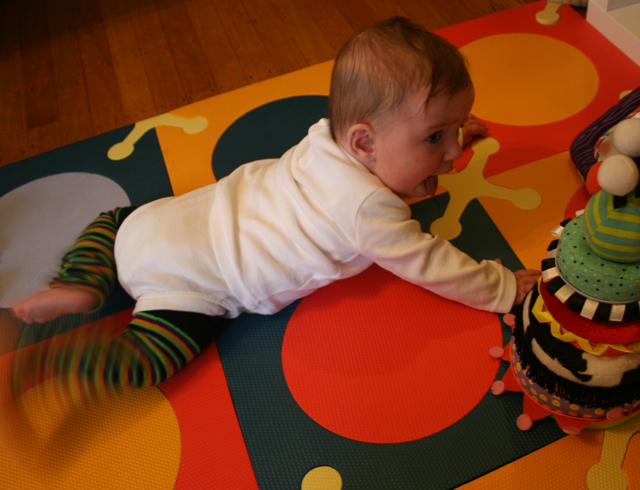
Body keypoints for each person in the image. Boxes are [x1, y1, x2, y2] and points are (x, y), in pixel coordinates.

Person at [11, 17, 540, 397]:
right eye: (435, 137)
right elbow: (430, 263)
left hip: (155, 225)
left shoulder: (324, 140)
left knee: (111, 223)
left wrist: (440, 140)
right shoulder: (370, 215)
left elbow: (377, 180)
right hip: (195, 282)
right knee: (150, 361)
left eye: (454, 130)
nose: (452, 151)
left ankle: (79, 282)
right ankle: (66, 362)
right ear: (364, 143)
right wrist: (500, 288)